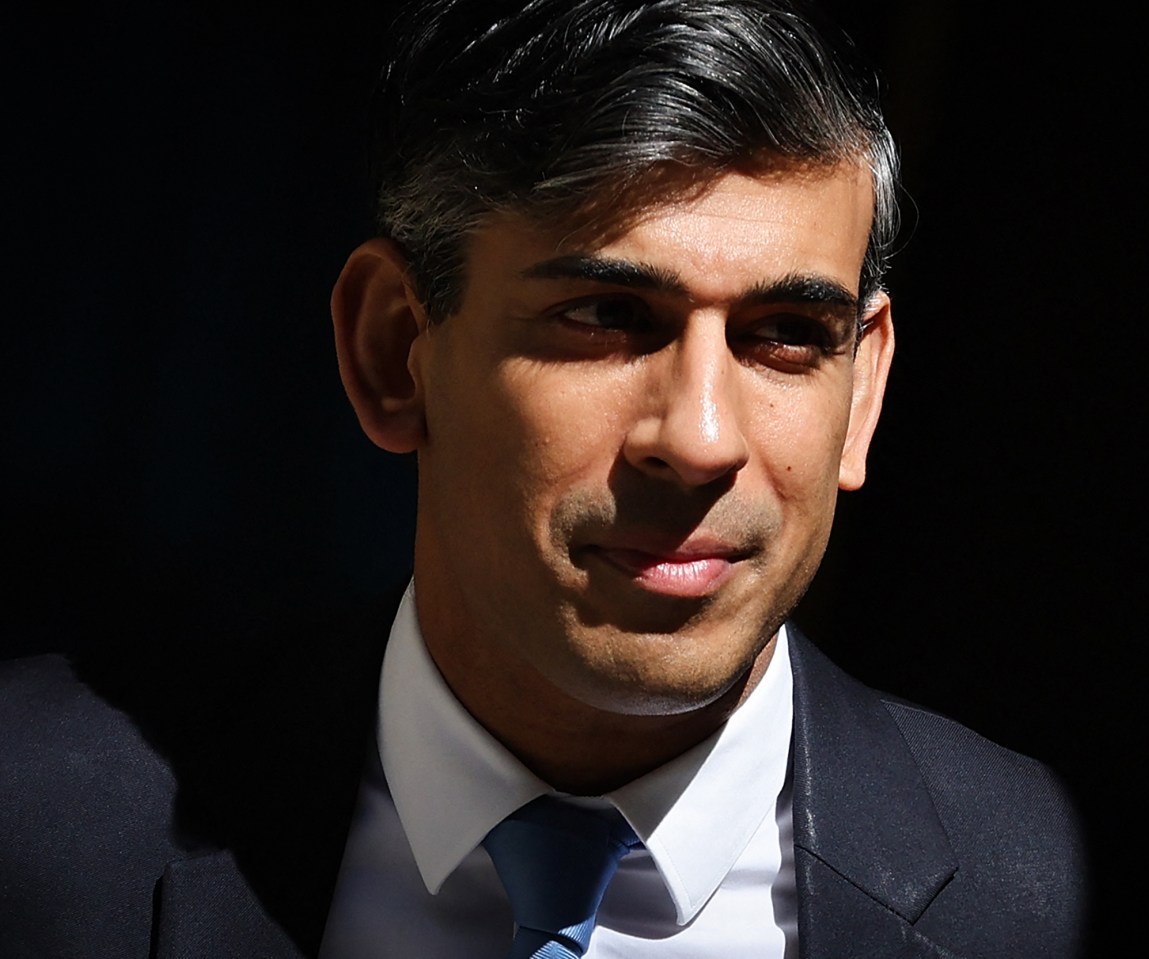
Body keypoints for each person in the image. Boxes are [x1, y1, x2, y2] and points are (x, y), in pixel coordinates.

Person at [0, 1, 1085, 957]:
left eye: (789, 333)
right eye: (609, 315)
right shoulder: (38, 817)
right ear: (393, 350)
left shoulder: (1036, 895)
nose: (701, 437)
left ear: (866, 390)